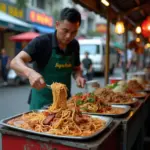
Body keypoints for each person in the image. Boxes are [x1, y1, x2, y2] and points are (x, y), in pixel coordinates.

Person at [10, 8, 85, 110]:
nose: (68, 36)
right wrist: (30, 73)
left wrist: (78, 77)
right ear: (57, 25)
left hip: (65, 103)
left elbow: (76, 68)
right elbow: (15, 62)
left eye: (74, 32)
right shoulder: (42, 42)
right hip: (41, 103)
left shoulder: (74, 45)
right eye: (65, 31)